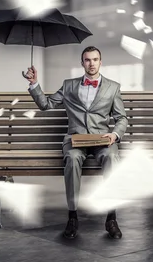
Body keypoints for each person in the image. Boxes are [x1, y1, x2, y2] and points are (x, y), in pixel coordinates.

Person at [24, 46, 128, 239]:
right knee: (71, 159)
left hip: (102, 140)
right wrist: (34, 83)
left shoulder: (113, 87)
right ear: (82, 63)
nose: (91, 63)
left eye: (95, 59)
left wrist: (114, 135)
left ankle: (111, 217)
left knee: (112, 157)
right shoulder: (69, 85)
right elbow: (46, 105)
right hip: (76, 139)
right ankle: (72, 217)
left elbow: (122, 118)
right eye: (87, 60)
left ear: (100, 61)